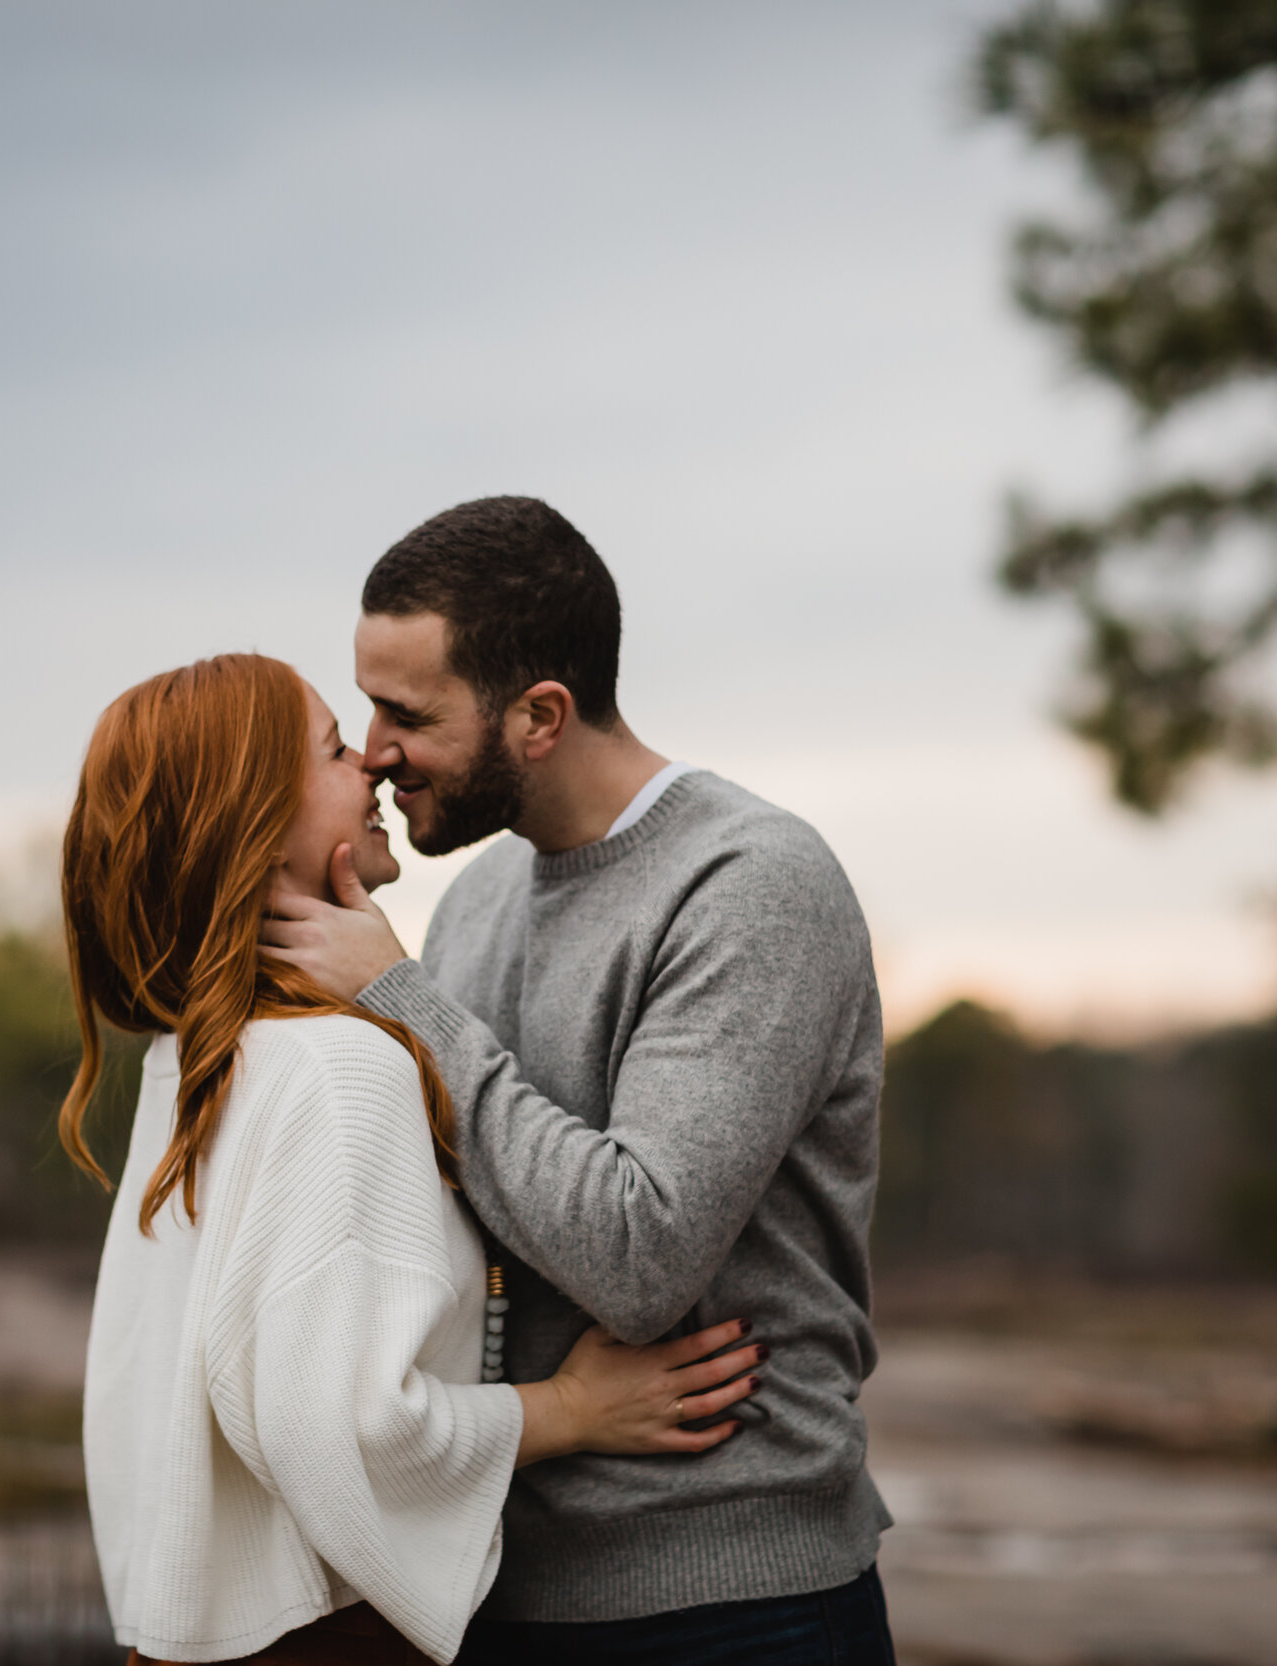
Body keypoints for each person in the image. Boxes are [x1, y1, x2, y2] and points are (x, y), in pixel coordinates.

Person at [263, 498, 896, 1665]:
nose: (373, 749)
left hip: (731, 1607)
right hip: (500, 1588)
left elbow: (637, 1255)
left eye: (408, 713)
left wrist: (401, 1001)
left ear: (540, 716)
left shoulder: (748, 884)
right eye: (365, 707)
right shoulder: (475, 902)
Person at [63, 653, 766, 1666]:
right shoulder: (339, 1068)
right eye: (332, 748)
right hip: (319, 1640)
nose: (372, 767)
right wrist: (568, 1409)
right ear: (254, 826)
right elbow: (341, 1427)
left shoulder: (202, 1059)